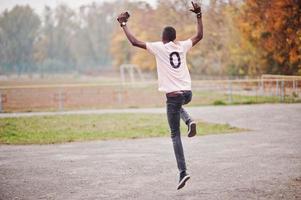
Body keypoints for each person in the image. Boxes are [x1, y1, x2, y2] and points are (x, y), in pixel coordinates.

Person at [117, 1, 203, 190]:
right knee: (180, 104)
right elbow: (199, 36)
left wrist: (123, 24)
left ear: (163, 38)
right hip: (188, 93)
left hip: (174, 97)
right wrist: (198, 15)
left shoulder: (159, 47)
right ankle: (189, 121)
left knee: (175, 135)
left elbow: (134, 42)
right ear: (174, 38)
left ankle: (183, 172)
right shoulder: (182, 46)